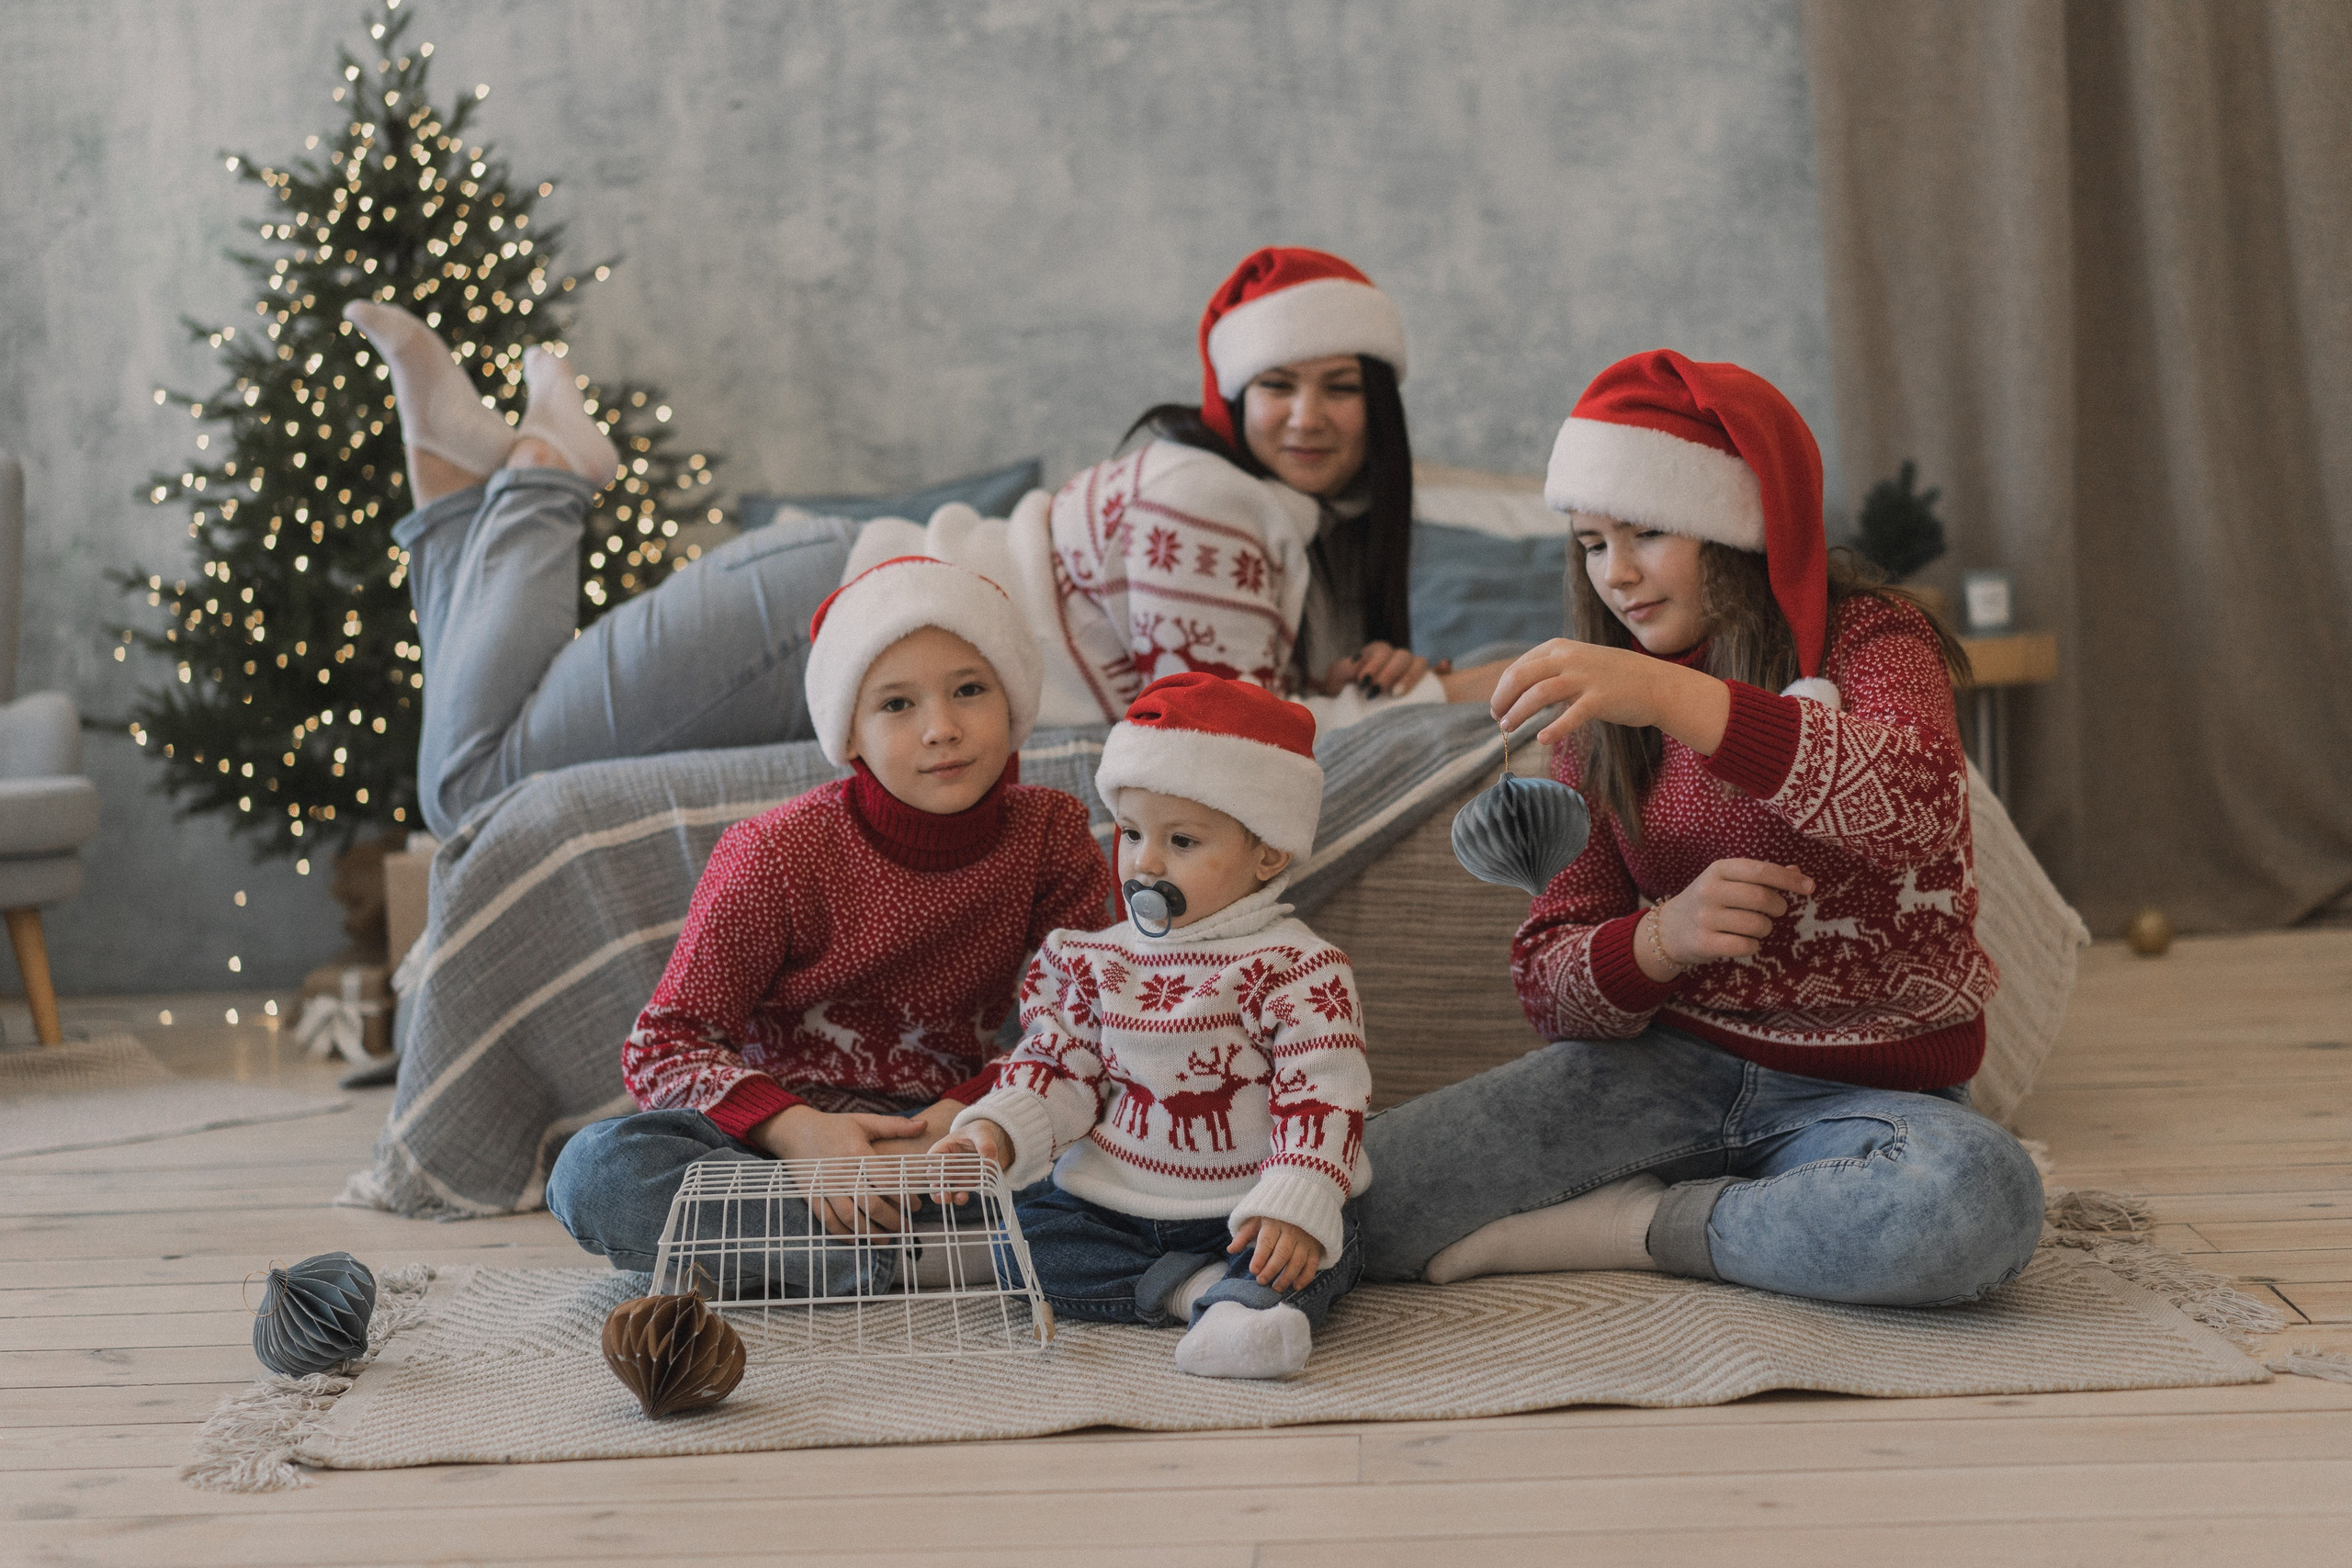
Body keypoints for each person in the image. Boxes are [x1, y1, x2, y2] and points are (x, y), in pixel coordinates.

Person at [348, 245, 1508, 842]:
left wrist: (1369, 676)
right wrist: (1430, 699)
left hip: (848, 619)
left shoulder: (1285, 534)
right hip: (818, 609)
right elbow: (1213, 729)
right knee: (474, 791)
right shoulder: (1208, 499)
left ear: (1378, 409)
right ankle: (549, 474)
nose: (1308, 417)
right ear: (1232, 397)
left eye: (1340, 388)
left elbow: (1245, 693)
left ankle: (452, 480)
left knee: (477, 783)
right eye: (1280, 386)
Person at [1357, 350, 2044, 1308]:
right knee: (1347, 1197)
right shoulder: (1595, 715)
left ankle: (1639, 1228)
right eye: (1591, 543)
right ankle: (1729, 1218)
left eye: (1647, 531)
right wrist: (1658, 939)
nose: (1617, 575)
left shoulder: (1876, 638)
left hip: (1872, 1100)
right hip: (1658, 1073)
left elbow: (1918, 806)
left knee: (1974, 1202)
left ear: (1735, 524)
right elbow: (1550, 986)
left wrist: (1672, 696)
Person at [544, 556, 1115, 1289]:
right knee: (598, 1172)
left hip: (955, 1146)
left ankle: (831, 1259)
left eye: (970, 689)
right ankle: (913, 1260)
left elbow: (1086, 1025)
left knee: (1119, 1146)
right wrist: (801, 1133)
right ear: (849, 734)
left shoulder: (1050, 834)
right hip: (775, 1149)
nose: (942, 728)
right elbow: (665, 1046)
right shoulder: (775, 852)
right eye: (897, 704)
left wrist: (965, 1122)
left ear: (1014, 700)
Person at [934, 673, 1371, 1379]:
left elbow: (1323, 1097)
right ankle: (1198, 1296)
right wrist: (997, 1129)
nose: (1145, 861)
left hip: (1247, 1208)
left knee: (1323, 1242)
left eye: (1183, 839)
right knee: (1025, 1244)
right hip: (1112, 1204)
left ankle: (1248, 1298)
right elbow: (1059, 1066)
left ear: (1269, 853)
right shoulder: (1091, 960)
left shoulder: (1297, 967)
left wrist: (1297, 1198)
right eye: (1132, 832)